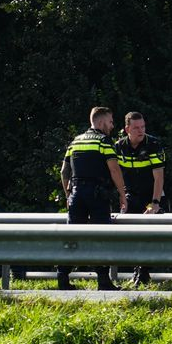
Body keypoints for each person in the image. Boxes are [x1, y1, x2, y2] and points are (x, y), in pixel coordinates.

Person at [57, 107, 123, 290]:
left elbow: (64, 172)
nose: (112, 125)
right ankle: (103, 280)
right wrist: (122, 194)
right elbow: (114, 169)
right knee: (102, 236)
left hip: (76, 194)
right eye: (110, 122)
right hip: (97, 194)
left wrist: (68, 195)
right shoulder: (104, 141)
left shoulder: (75, 142)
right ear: (101, 122)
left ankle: (62, 277)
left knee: (72, 236)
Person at [111, 111, 167, 214]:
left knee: (155, 226)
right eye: (136, 128)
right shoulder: (119, 146)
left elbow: (159, 177)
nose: (141, 131)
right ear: (127, 129)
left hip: (152, 196)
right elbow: (115, 174)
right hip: (131, 196)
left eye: (143, 127)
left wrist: (154, 203)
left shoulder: (153, 144)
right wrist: (122, 198)